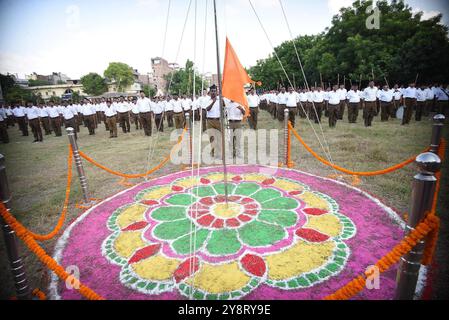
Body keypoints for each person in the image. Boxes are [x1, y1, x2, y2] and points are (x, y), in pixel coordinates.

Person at [206, 85, 223, 158]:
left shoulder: (220, 100)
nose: (213, 92)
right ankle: (212, 152)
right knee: (212, 137)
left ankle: (219, 153)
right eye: (212, 91)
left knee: (219, 137)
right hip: (210, 121)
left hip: (218, 120)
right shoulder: (207, 100)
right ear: (210, 92)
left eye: (215, 91)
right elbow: (207, 109)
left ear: (217, 92)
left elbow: (224, 107)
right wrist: (213, 102)